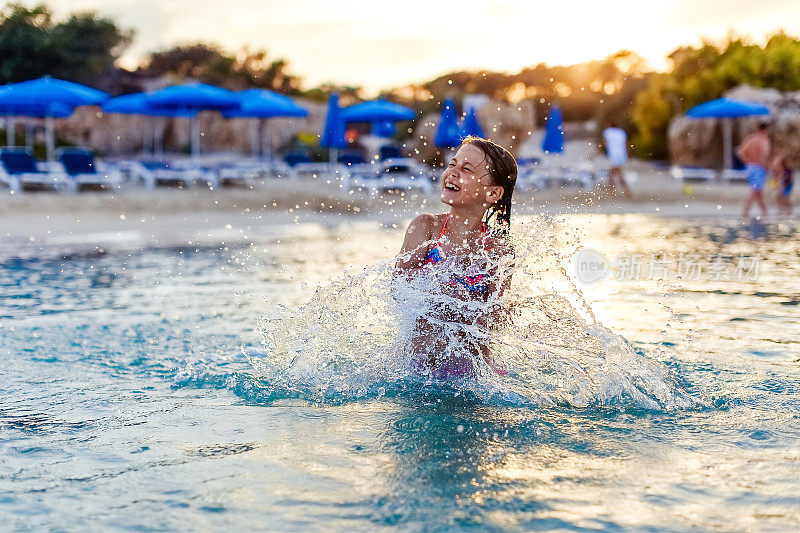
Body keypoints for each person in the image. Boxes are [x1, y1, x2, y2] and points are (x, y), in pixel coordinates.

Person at [395, 136, 517, 378]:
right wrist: (443, 293)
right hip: (419, 366)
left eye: (466, 169)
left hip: (471, 369)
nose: (452, 173)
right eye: (452, 164)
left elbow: (495, 319)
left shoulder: (499, 248)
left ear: (493, 193)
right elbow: (398, 290)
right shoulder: (426, 228)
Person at [737, 122, 771, 219]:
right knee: (756, 191)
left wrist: (747, 161)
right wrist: (765, 166)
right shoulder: (763, 140)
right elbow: (764, 155)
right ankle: (745, 212)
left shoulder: (750, 139)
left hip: (749, 167)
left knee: (758, 192)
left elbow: (740, 152)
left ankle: (765, 213)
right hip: (758, 168)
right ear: (765, 129)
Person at [602, 121, 631, 197]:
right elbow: (626, 144)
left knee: (615, 172)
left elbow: (605, 143)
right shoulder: (621, 132)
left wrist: (599, 151)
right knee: (615, 172)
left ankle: (615, 190)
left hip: (614, 154)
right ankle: (614, 189)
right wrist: (628, 153)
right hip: (622, 154)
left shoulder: (608, 132)